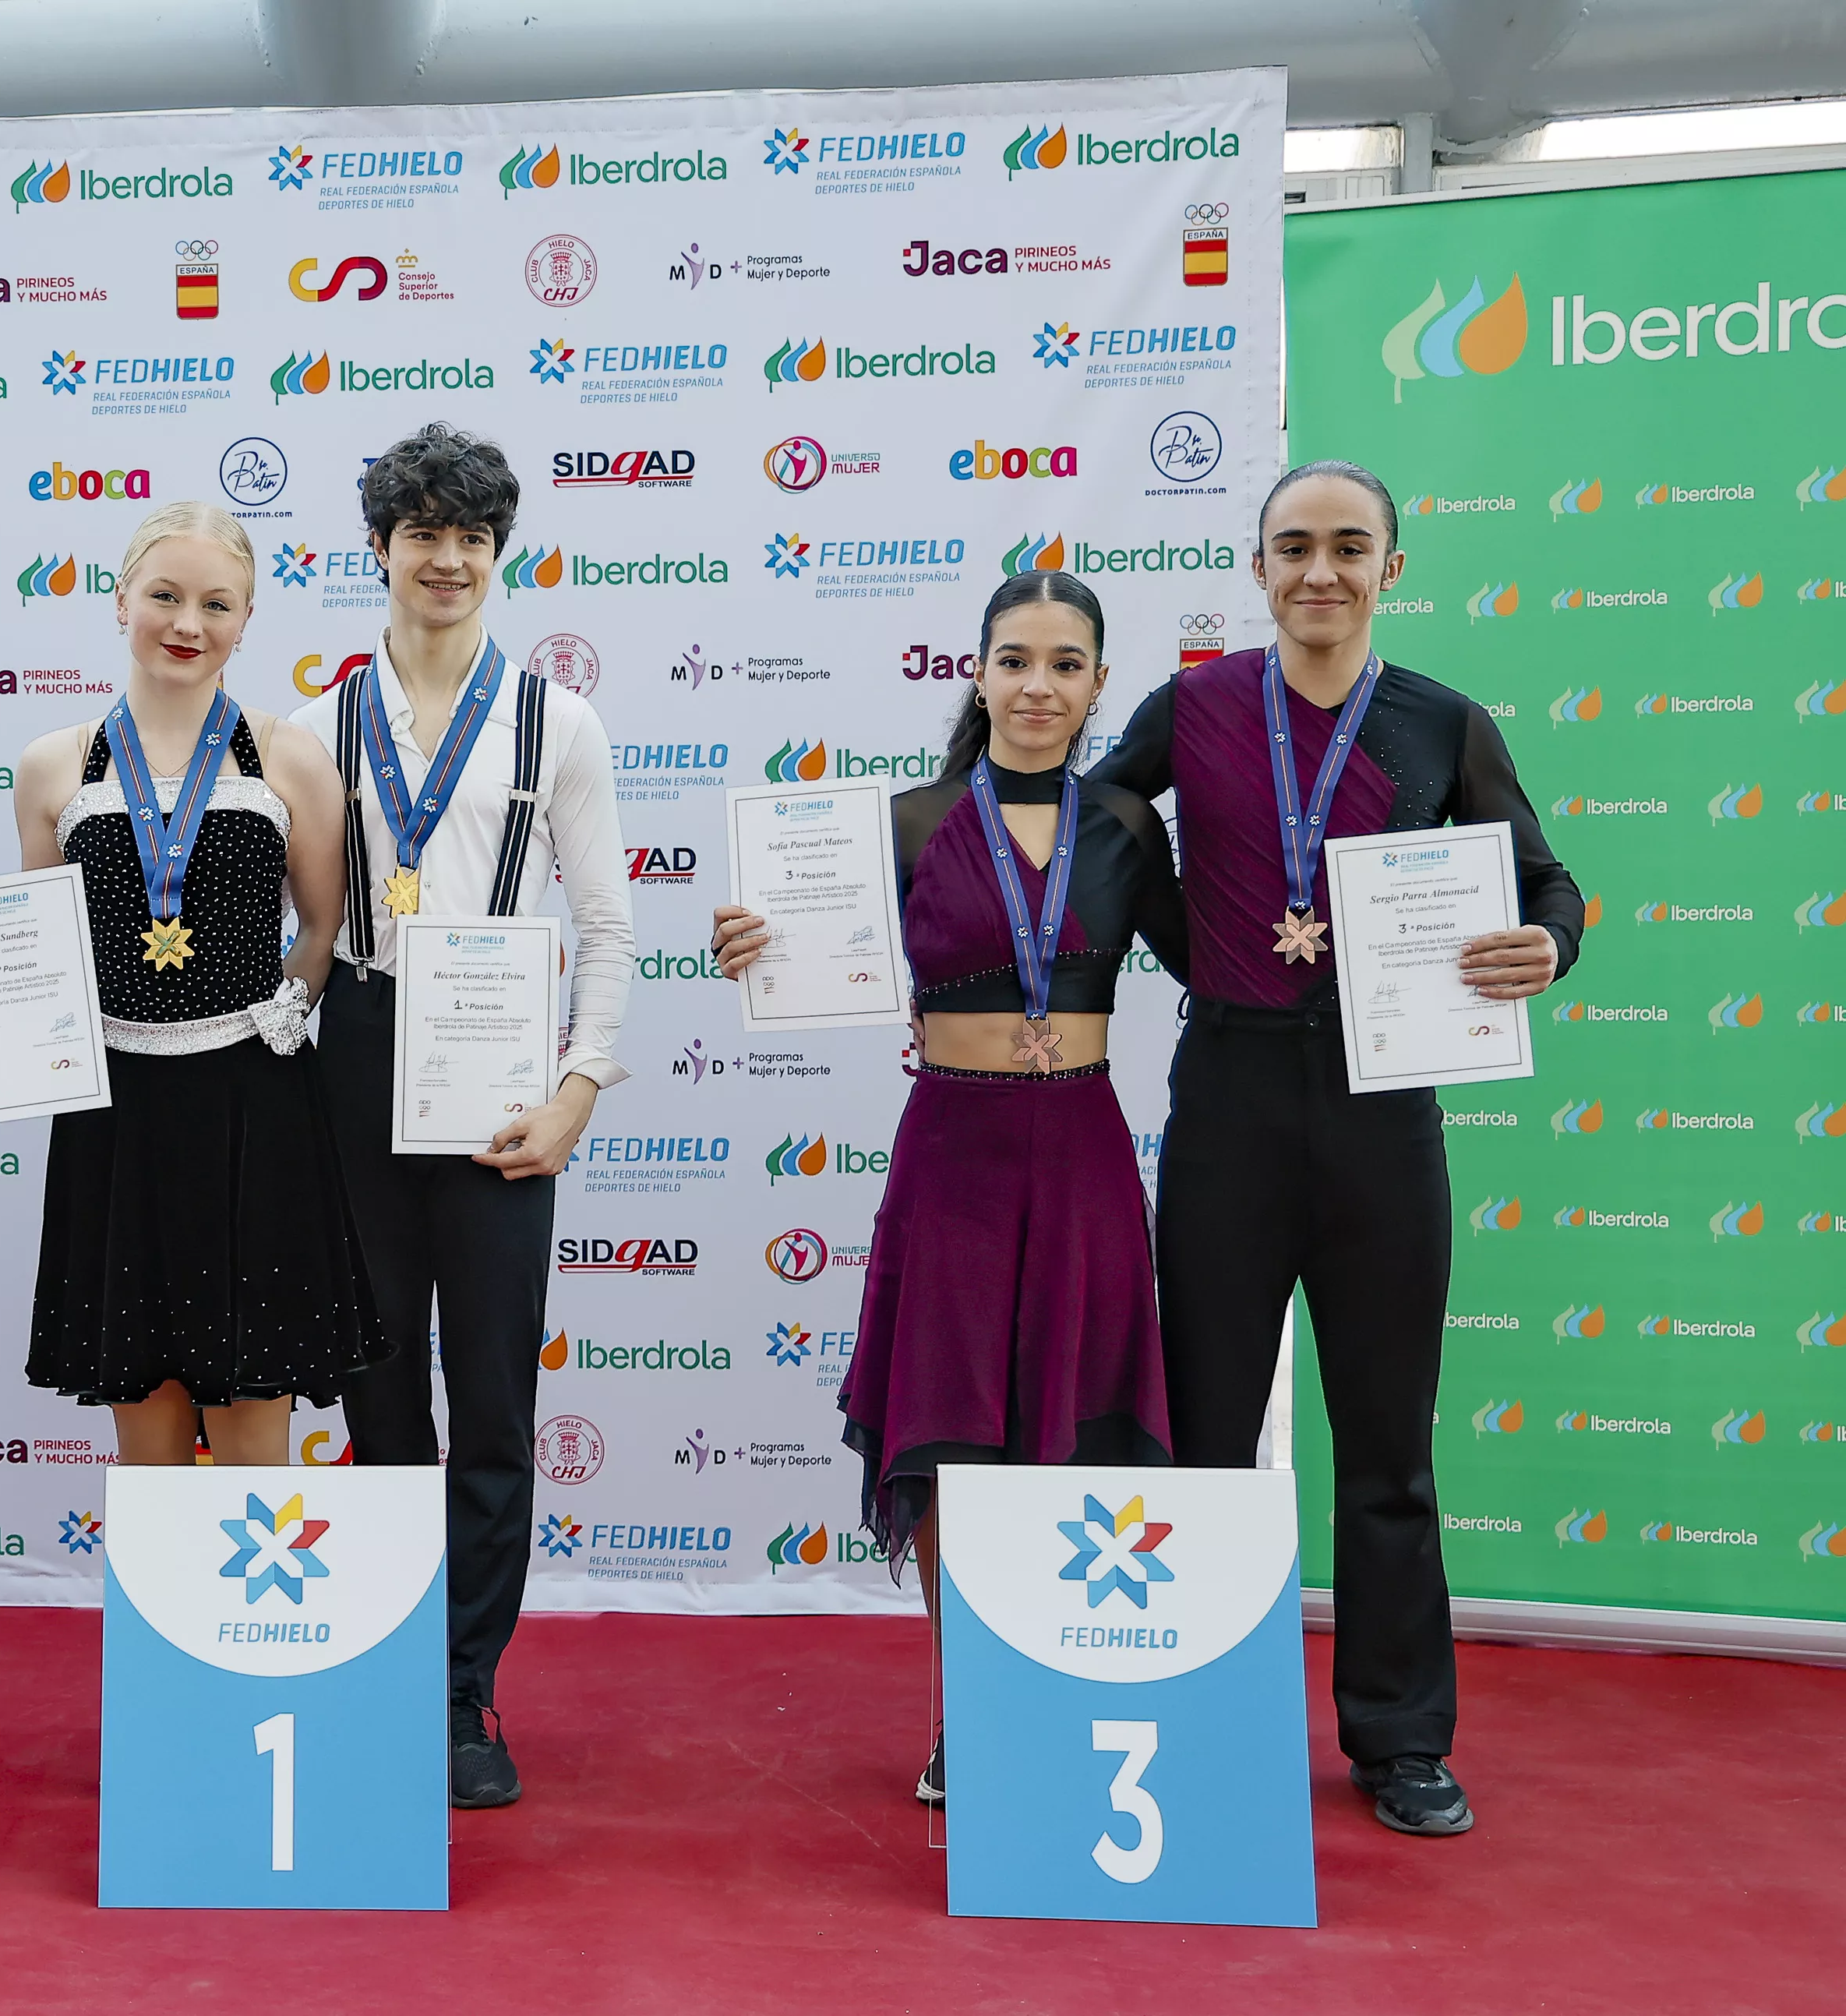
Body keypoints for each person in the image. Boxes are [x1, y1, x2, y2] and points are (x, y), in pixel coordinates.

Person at [1089, 459, 1581, 1838]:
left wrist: (1547, 941)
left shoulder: (1439, 722)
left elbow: (1544, 877)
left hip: (1384, 1117)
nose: (1321, 571)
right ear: (1256, 566)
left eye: (1349, 547)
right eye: (1294, 546)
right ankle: (1186, 1702)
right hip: (1232, 1099)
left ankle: (1400, 1735)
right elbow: (1083, 831)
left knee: (1386, 1442)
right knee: (1202, 1437)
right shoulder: (1190, 710)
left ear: (1391, 569)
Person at [715, 570, 1186, 1812]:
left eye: (1067, 664)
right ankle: (969, 1707)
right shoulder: (911, 819)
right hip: (954, 1161)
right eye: (1015, 660)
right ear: (977, 674)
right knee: (958, 1436)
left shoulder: (1131, 825)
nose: (1039, 686)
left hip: (1083, 1153)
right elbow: (816, 949)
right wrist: (753, 944)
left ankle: (1057, 1691)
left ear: (1097, 685)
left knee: (1076, 1427)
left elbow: (1222, 959)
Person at [284, 425, 635, 1810]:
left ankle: (463, 1690)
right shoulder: (315, 725)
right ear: (379, 547)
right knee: (377, 1397)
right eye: (421, 533)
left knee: (492, 1399)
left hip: (500, 1067)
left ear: (501, 554)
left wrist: (576, 1091)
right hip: (357, 1052)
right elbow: (295, 940)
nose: (446, 559)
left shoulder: (562, 721)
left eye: (471, 538)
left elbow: (606, 927)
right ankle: (386, 1665)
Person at [0, 502, 376, 1464]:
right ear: (120, 601)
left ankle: (257, 1613)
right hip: (115, 1113)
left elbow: (324, 928)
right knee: (148, 1406)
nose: (186, 623)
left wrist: (275, 1022)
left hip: (256, 1111)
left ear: (247, 621)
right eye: (163, 595)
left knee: (254, 1406)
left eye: (216, 603)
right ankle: (162, 1615)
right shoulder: (52, 765)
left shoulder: (289, 756)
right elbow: (36, 956)